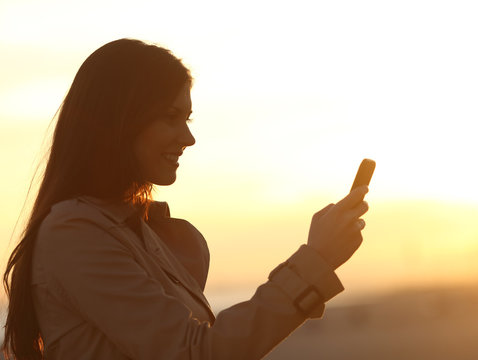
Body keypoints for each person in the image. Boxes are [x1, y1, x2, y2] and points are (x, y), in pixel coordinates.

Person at [2, 38, 370, 360]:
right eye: (171, 117)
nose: (188, 137)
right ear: (121, 121)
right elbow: (195, 352)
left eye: (188, 117)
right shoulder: (75, 232)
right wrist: (316, 260)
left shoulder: (135, 230)